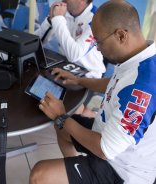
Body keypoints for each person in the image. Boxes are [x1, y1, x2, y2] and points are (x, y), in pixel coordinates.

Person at [30, 1, 156, 184]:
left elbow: (105, 150)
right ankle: (76, 173)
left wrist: (61, 116)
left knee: (39, 175)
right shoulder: (140, 57)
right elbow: (115, 83)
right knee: (62, 127)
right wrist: (79, 79)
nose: (97, 48)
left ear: (121, 35)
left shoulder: (142, 86)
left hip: (123, 170)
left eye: (99, 41)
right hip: (107, 136)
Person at [35, 0, 105, 79]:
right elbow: (34, 43)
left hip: (89, 77)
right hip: (65, 68)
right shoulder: (64, 12)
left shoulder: (97, 20)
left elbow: (74, 55)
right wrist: (50, 21)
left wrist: (58, 19)